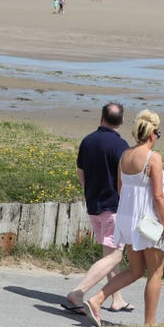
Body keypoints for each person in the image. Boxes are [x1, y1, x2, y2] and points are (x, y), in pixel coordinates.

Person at [83, 109, 164, 327]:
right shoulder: (154, 158)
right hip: (147, 222)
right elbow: (157, 196)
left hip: (127, 219)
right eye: (158, 133)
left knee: (135, 270)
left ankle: (97, 300)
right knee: (156, 272)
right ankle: (150, 325)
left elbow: (120, 187)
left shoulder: (125, 155)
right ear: (152, 134)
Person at [61, 103, 134, 315]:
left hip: (94, 205)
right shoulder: (120, 146)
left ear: (101, 118)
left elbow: (80, 171)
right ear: (121, 121)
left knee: (108, 252)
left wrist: (89, 190)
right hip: (113, 206)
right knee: (115, 255)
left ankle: (117, 298)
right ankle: (78, 292)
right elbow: (125, 179)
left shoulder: (87, 141)